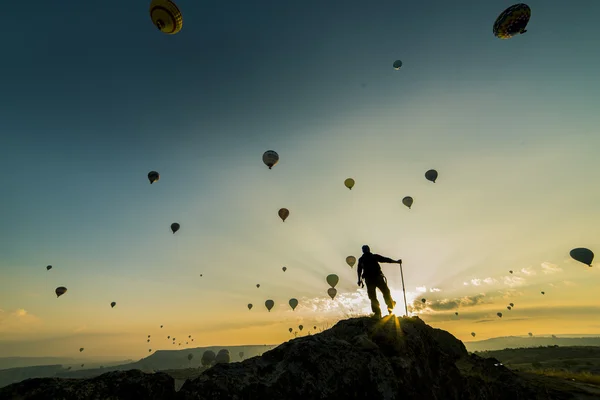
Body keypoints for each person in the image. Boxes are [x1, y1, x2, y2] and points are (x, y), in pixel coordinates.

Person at [357, 245, 401, 318]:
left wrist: (396, 262)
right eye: (364, 249)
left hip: (375, 278)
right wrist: (359, 279)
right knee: (376, 295)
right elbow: (359, 270)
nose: (365, 250)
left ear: (367, 250)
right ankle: (381, 311)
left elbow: (385, 259)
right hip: (372, 278)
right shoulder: (364, 259)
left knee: (382, 293)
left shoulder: (370, 257)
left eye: (365, 249)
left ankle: (385, 310)